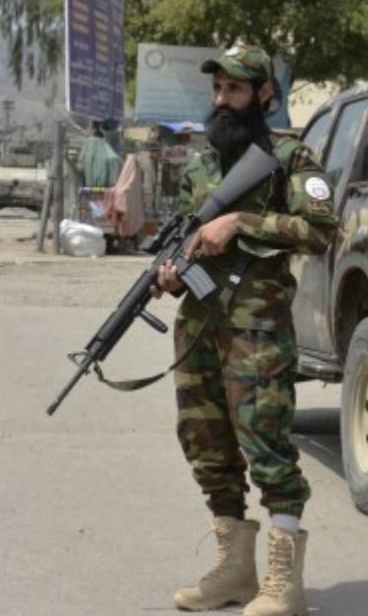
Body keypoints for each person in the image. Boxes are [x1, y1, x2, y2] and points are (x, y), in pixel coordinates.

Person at [150, 44, 336, 616]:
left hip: (256, 327)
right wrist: (170, 274)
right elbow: (190, 244)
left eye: (234, 88)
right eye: (217, 88)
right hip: (200, 325)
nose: (221, 99)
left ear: (264, 93)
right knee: (207, 445)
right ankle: (234, 571)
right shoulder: (202, 167)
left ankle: (284, 585)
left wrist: (241, 222)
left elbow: (322, 229)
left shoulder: (289, 157)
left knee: (266, 442)